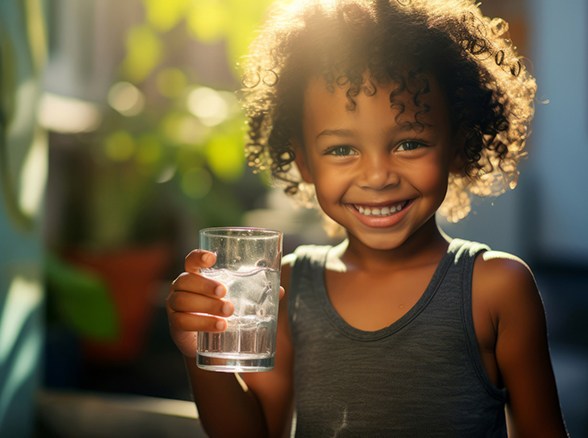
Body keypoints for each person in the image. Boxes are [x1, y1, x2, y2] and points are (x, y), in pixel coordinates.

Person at [167, 0, 569, 436]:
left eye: (409, 143)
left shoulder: (497, 288)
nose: (377, 176)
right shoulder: (284, 290)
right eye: (342, 150)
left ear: (457, 144)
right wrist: (201, 352)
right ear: (303, 163)